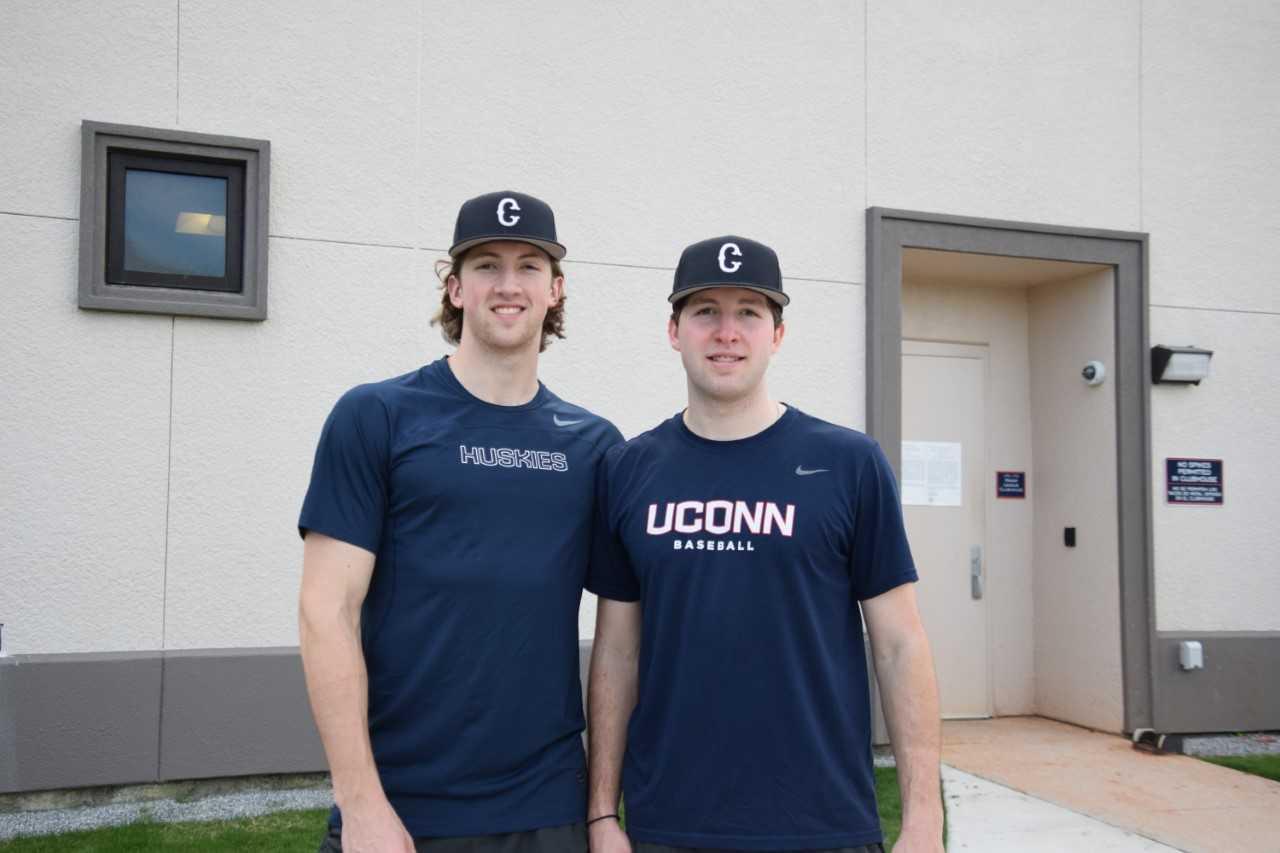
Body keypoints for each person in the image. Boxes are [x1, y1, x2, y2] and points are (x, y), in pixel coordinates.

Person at [585, 236, 944, 853]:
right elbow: (618, 652)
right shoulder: (628, 469)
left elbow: (899, 644)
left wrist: (922, 820)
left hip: (821, 824)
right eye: (706, 312)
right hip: (669, 824)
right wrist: (601, 815)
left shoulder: (849, 464)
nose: (727, 332)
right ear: (674, 330)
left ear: (777, 334)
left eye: (749, 312)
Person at [298, 191, 621, 853]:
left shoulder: (595, 447)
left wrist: (599, 813)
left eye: (530, 265)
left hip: (547, 805)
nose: (508, 284)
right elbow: (324, 610)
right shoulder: (377, 417)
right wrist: (360, 802)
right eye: (486, 266)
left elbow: (623, 637)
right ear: (454, 286)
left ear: (557, 289)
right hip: (404, 806)